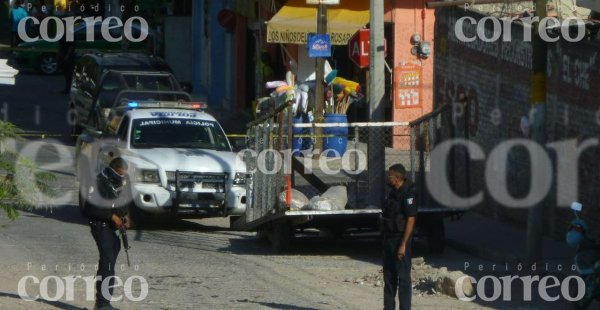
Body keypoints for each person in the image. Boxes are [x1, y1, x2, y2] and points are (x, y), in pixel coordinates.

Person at [83, 157, 131, 310]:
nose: (122, 177)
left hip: (112, 229)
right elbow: (90, 208)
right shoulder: (98, 182)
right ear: (113, 169)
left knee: (110, 261)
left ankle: (105, 302)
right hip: (100, 225)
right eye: (120, 173)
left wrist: (125, 215)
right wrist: (111, 216)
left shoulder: (119, 182)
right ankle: (102, 303)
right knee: (107, 261)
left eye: (124, 174)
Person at [381, 164, 417, 310]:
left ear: (397, 178)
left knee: (403, 279)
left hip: (400, 239)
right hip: (388, 238)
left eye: (389, 176)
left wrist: (403, 244)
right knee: (389, 278)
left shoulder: (409, 194)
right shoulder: (392, 192)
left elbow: (411, 219)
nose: (387, 178)